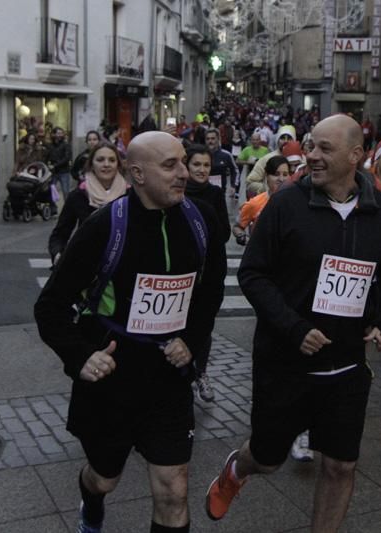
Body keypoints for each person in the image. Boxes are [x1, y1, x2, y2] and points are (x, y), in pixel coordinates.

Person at [205, 114, 381, 531]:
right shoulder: (286, 204)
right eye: (310, 146)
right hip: (286, 362)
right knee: (268, 457)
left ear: (356, 156)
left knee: (340, 466)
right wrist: (294, 328)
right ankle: (235, 472)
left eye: (323, 149)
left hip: (349, 365)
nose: (310, 155)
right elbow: (253, 273)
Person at [34, 131, 227, 533]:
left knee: (174, 490)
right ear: (137, 173)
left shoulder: (201, 219)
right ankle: (91, 500)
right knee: (105, 478)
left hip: (168, 380)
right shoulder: (102, 228)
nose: (183, 174)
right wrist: (81, 356)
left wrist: (190, 341)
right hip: (111, 380)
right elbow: (49, 308)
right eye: (169, 165)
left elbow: (210, 293)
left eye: (183, 162)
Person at [183, 143, 231, 403]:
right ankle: (183, 374)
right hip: (182, 270)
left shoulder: (214, 193)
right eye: (197, 165)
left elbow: (223, 232)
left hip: (208, 270)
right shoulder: (177, 190)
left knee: (203, 325)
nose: (202, 170)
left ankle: (201, 372)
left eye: (206, 166)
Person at [48, 142, 128, 265]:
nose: (106, 164)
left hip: (122, 267)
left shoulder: (130, 195)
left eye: (112, 160)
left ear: (118, 164)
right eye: (100, 160)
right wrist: (58, 253)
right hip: (86, 265)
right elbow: (59, 235)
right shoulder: (78, 196)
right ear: (91, 165)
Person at [231, 155, 290, 246]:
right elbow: (237, 227)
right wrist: (243, 237)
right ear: (266, 176)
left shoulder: (296, 202)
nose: (281, 179)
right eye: (276, 174)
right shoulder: (255, 203)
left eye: (285, 174)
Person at [245, 125, 296, 196]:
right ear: (277, 140)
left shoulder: (301, 160)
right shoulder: (267, 158)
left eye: (289, 138)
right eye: (282, 138)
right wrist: (268, 188)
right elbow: (250, 182)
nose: (285, 141)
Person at [205, 129, 239, 195]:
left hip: (220, 192)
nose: (210, 141)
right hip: (203, 191)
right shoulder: (200, 154)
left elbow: (235, 170)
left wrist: (233, 186)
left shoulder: (226, 155)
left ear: (218, 139)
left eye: (213, 138)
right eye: (207, 139)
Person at [46, 127, 73, 202]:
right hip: (53, 172)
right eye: (58, 133)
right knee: (51, 190)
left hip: (64, 171)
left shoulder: (66, 145)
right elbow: (47, 156)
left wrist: (55, 165)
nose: (60, 135)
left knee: (65, 191)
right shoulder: (50, 146)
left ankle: (68, 209)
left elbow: (67, 158)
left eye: (61, 133)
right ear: (54, 134)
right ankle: (53, 209)